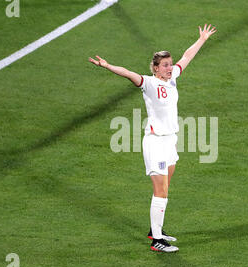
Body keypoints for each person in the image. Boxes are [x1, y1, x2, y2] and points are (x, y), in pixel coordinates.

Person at [89, 24, 217, 252]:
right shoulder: (149, 83)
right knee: (161, 191)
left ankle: (154, 230)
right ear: (156, 69)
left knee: (165, 186)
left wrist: (202, 39)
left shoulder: (172, 78)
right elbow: (129, 73)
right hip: (155, 142)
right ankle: (157, 241)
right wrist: (108, 66)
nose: (170, 67)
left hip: (170, 141)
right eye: (165, 65)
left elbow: (187, 57)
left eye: (170, 64)